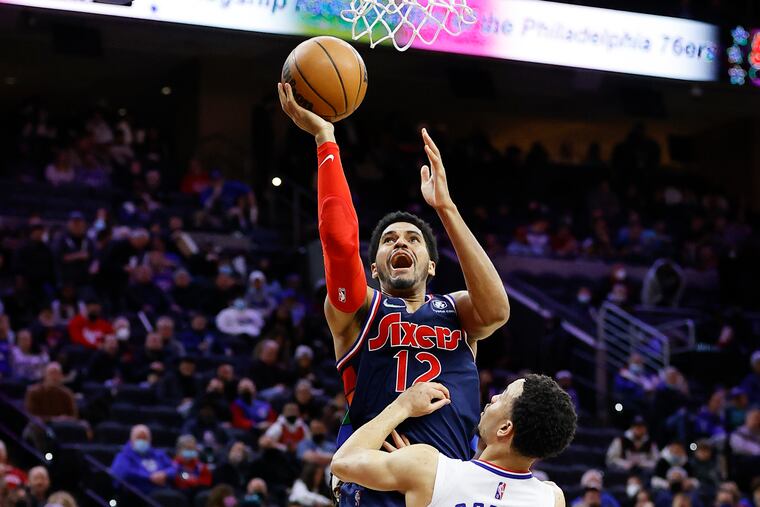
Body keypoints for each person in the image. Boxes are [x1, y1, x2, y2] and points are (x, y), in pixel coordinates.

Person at [278, 82, 510, 507]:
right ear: (373, 266)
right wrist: (325, 141)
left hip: (450, 484)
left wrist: (447, 210)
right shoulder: (358, 308)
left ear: (432, 265)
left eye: (413, 240)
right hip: (374, 482)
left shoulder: (456, 309)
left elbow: (497, 310)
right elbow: (338, 241)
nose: (401, 244)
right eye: (389, 241)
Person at [331, 375, 576, 507]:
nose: (493, 398)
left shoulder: (429, 468)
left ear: (505, 428)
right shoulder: (551, 499)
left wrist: (402, 405)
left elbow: (343, 462)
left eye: (502, 397)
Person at [110, 424, 176, 495]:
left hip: (161, 492)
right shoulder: (123, 455)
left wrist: (164, 474)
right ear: (131, 439)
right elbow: (121, 473)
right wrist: (149, 477)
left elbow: (173, 468)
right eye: (138, 438)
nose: (142, 441)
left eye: (145, 438)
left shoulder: (158, 454)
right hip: (136, 494)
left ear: (150, 440)